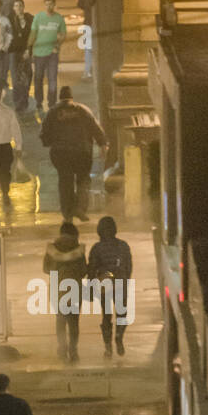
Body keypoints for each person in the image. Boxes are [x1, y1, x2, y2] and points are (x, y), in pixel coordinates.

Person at [40, 85, 107, 221]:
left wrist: (50, 142)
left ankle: (67, 213)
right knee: (83, 180)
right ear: (72, 97)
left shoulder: (53, 112)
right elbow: (95, 128)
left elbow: (44, 135)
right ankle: (80, 209)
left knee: (65, 181)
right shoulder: (83, 110)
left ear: (60, 98)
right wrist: (103, 144)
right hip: (82, 152)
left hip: (61, 153)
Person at [87, 216, 133, 358]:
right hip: (120, 282)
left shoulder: (96, 248)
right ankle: (119, 335)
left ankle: (108, 348)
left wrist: (91, 286)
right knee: (121, 314)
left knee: (106, 316)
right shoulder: (124, 245)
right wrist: (126, 280)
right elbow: (129, 265)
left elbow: (92, 269)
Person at [44, 221, 88, 363]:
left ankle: (62, 349)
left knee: (60, 320)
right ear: (74, 234)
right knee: (73, 322)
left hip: (58, 289)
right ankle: (73, 350)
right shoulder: (78, 250)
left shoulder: (52, 249)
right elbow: (83, 271)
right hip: (74, 288)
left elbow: (46, 269)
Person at [27, 0, 66, 114]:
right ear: (45, 5)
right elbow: (33, 33)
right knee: (38, 78)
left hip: (52, 54)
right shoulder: (38, 17)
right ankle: (39, 102)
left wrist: (57, 46)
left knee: (52, 79)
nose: (49, 6)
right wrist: (29, 48)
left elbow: (63, 35)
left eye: (51, 4)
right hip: (39, 53)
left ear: (54, 5)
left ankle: (52, 103)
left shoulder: (59, 18)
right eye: (47, 4)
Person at [8, 0, 33, 113]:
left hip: (26, 51)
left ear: (23, 7)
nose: (18, 8)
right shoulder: (10, 20)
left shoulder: (30, 19)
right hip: (13, 52)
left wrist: (28, 50)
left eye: (20, 6)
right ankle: (18, 103)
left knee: (27, 77)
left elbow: (33, 35)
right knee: (16, 78)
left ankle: (25, 99)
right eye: (16, 6)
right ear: (13, 8)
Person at [77, 0, 94, 81]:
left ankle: (87, 71)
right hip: (101, 22)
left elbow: (80, 4)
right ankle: (89, 71)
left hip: (88, 21)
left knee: (88, 48)